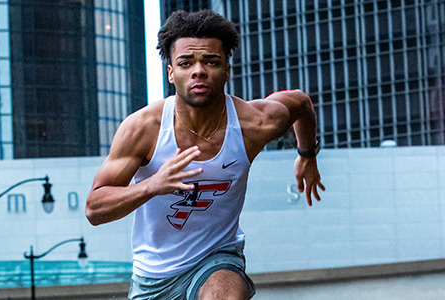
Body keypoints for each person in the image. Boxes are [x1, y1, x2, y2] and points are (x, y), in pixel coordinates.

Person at [86, 9, 325, 300]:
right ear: (171, 72)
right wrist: (152, 185)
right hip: (154, 277)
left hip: (217, 259)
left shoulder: (255, 123)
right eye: (186, 63)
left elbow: (300, 103)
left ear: (227, 68)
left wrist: (307, 154)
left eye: (210, 61)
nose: (198, 71)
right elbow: (95, 209)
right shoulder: (143, 129)